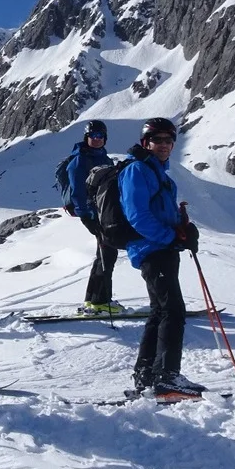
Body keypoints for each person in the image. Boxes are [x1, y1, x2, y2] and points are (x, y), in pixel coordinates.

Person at [120, 117, 203, 397]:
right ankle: (167, 377)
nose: (164, 145)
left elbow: (159, 214)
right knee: (173, 310)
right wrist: (172, 237)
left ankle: (147, 374)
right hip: (151, 249)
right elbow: (137, 216)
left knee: (160, 311)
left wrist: (182, 227)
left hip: (161, 249)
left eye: (169, 141)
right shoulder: (138, 171)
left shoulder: (159, 174)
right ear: (147, 143)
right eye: (158, 140)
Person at [66, 120, 124, 315]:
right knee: (108, 253)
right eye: (93, 136)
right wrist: (87, 217)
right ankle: (101, 301)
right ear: (87, 137)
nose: (97, 140)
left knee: (104, 254)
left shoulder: (104, 158)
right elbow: (77, 192)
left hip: (105, 212)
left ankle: (93, 300)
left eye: (100, 136)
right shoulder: (79, 161)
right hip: (94, 215)